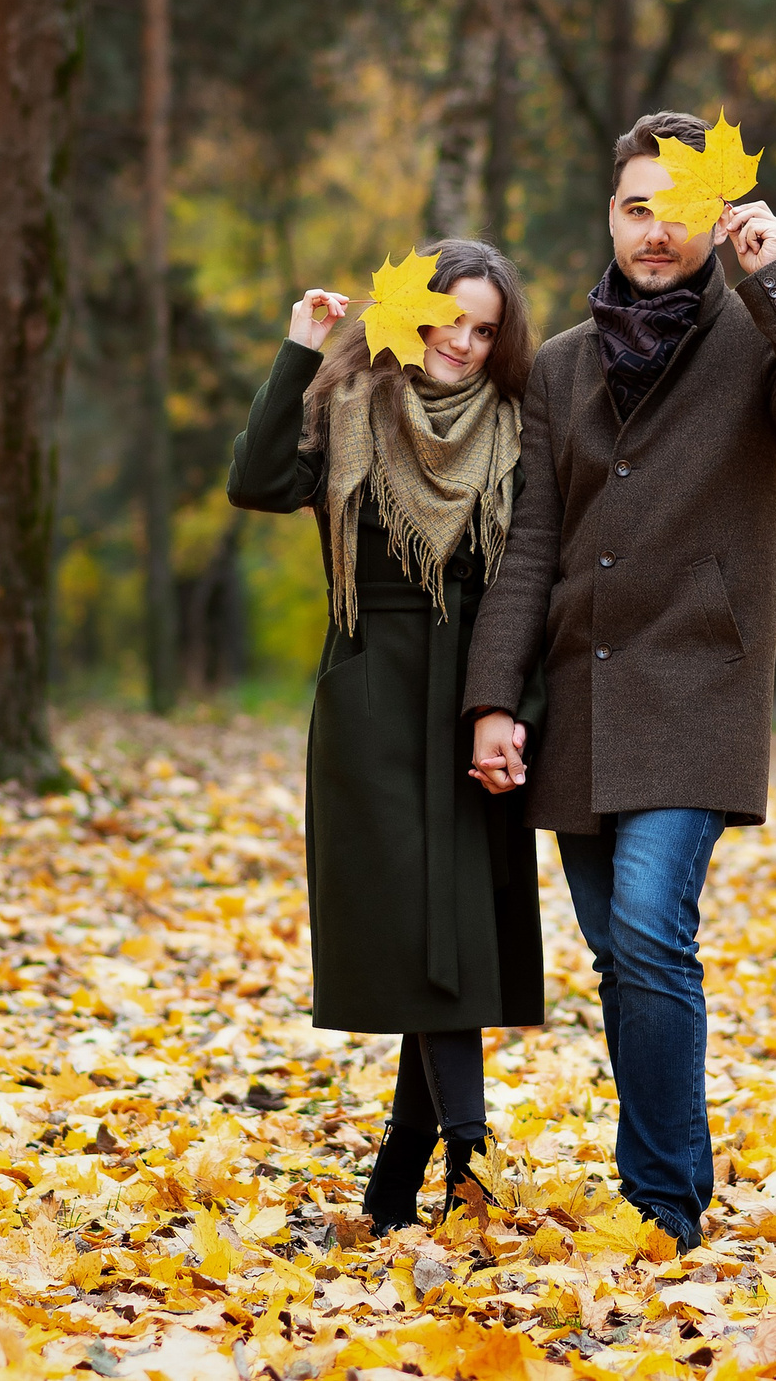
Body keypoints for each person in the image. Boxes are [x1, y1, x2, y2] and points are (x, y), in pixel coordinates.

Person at [461, 112, 776, 1253]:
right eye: (637, 208)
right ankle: (677, 1176)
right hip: (582, 694)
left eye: (679, 210)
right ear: (611, 215)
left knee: (648, 931)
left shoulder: (760, 337)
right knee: (623, 954)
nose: (655, 231)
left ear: (719, 217)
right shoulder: (560, 366)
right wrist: (493, 699)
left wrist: (775, 280)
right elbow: (530, 546)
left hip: (699, 688)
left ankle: (659, 1203)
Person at [226, 239, 547, 1236]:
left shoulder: (518, 426)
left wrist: (511, 705)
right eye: (450, 319)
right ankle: (468, 1164)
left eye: (485, 329)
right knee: (418, 934)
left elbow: (533, 579)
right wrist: (298, 349)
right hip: (371, 704)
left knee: (451, 942)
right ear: (410, 315)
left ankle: (402, 1175)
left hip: (477, 699)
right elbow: (256, 481)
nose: (464, 342)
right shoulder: (350, 407)